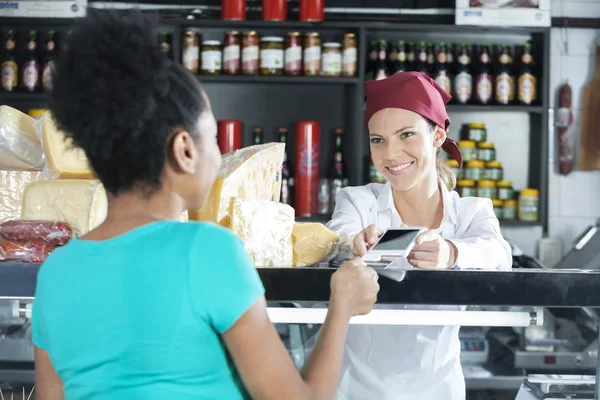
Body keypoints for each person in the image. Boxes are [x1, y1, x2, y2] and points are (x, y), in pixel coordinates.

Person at [32, 10, 379, 400]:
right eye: (213, 138)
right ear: (184, 150)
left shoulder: (57, 270)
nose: (220, 155)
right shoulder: (206, 250)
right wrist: (343, 305)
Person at [327, 72, 512, 400]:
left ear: (438, 136)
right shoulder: (359, 202)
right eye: (378, 140)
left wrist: (451, 252)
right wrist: (351, 245)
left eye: (406, 135)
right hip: (355, 388)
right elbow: (334, 238)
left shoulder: (471, 213)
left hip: (440, 390)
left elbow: (499, 253)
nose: (391, 154)